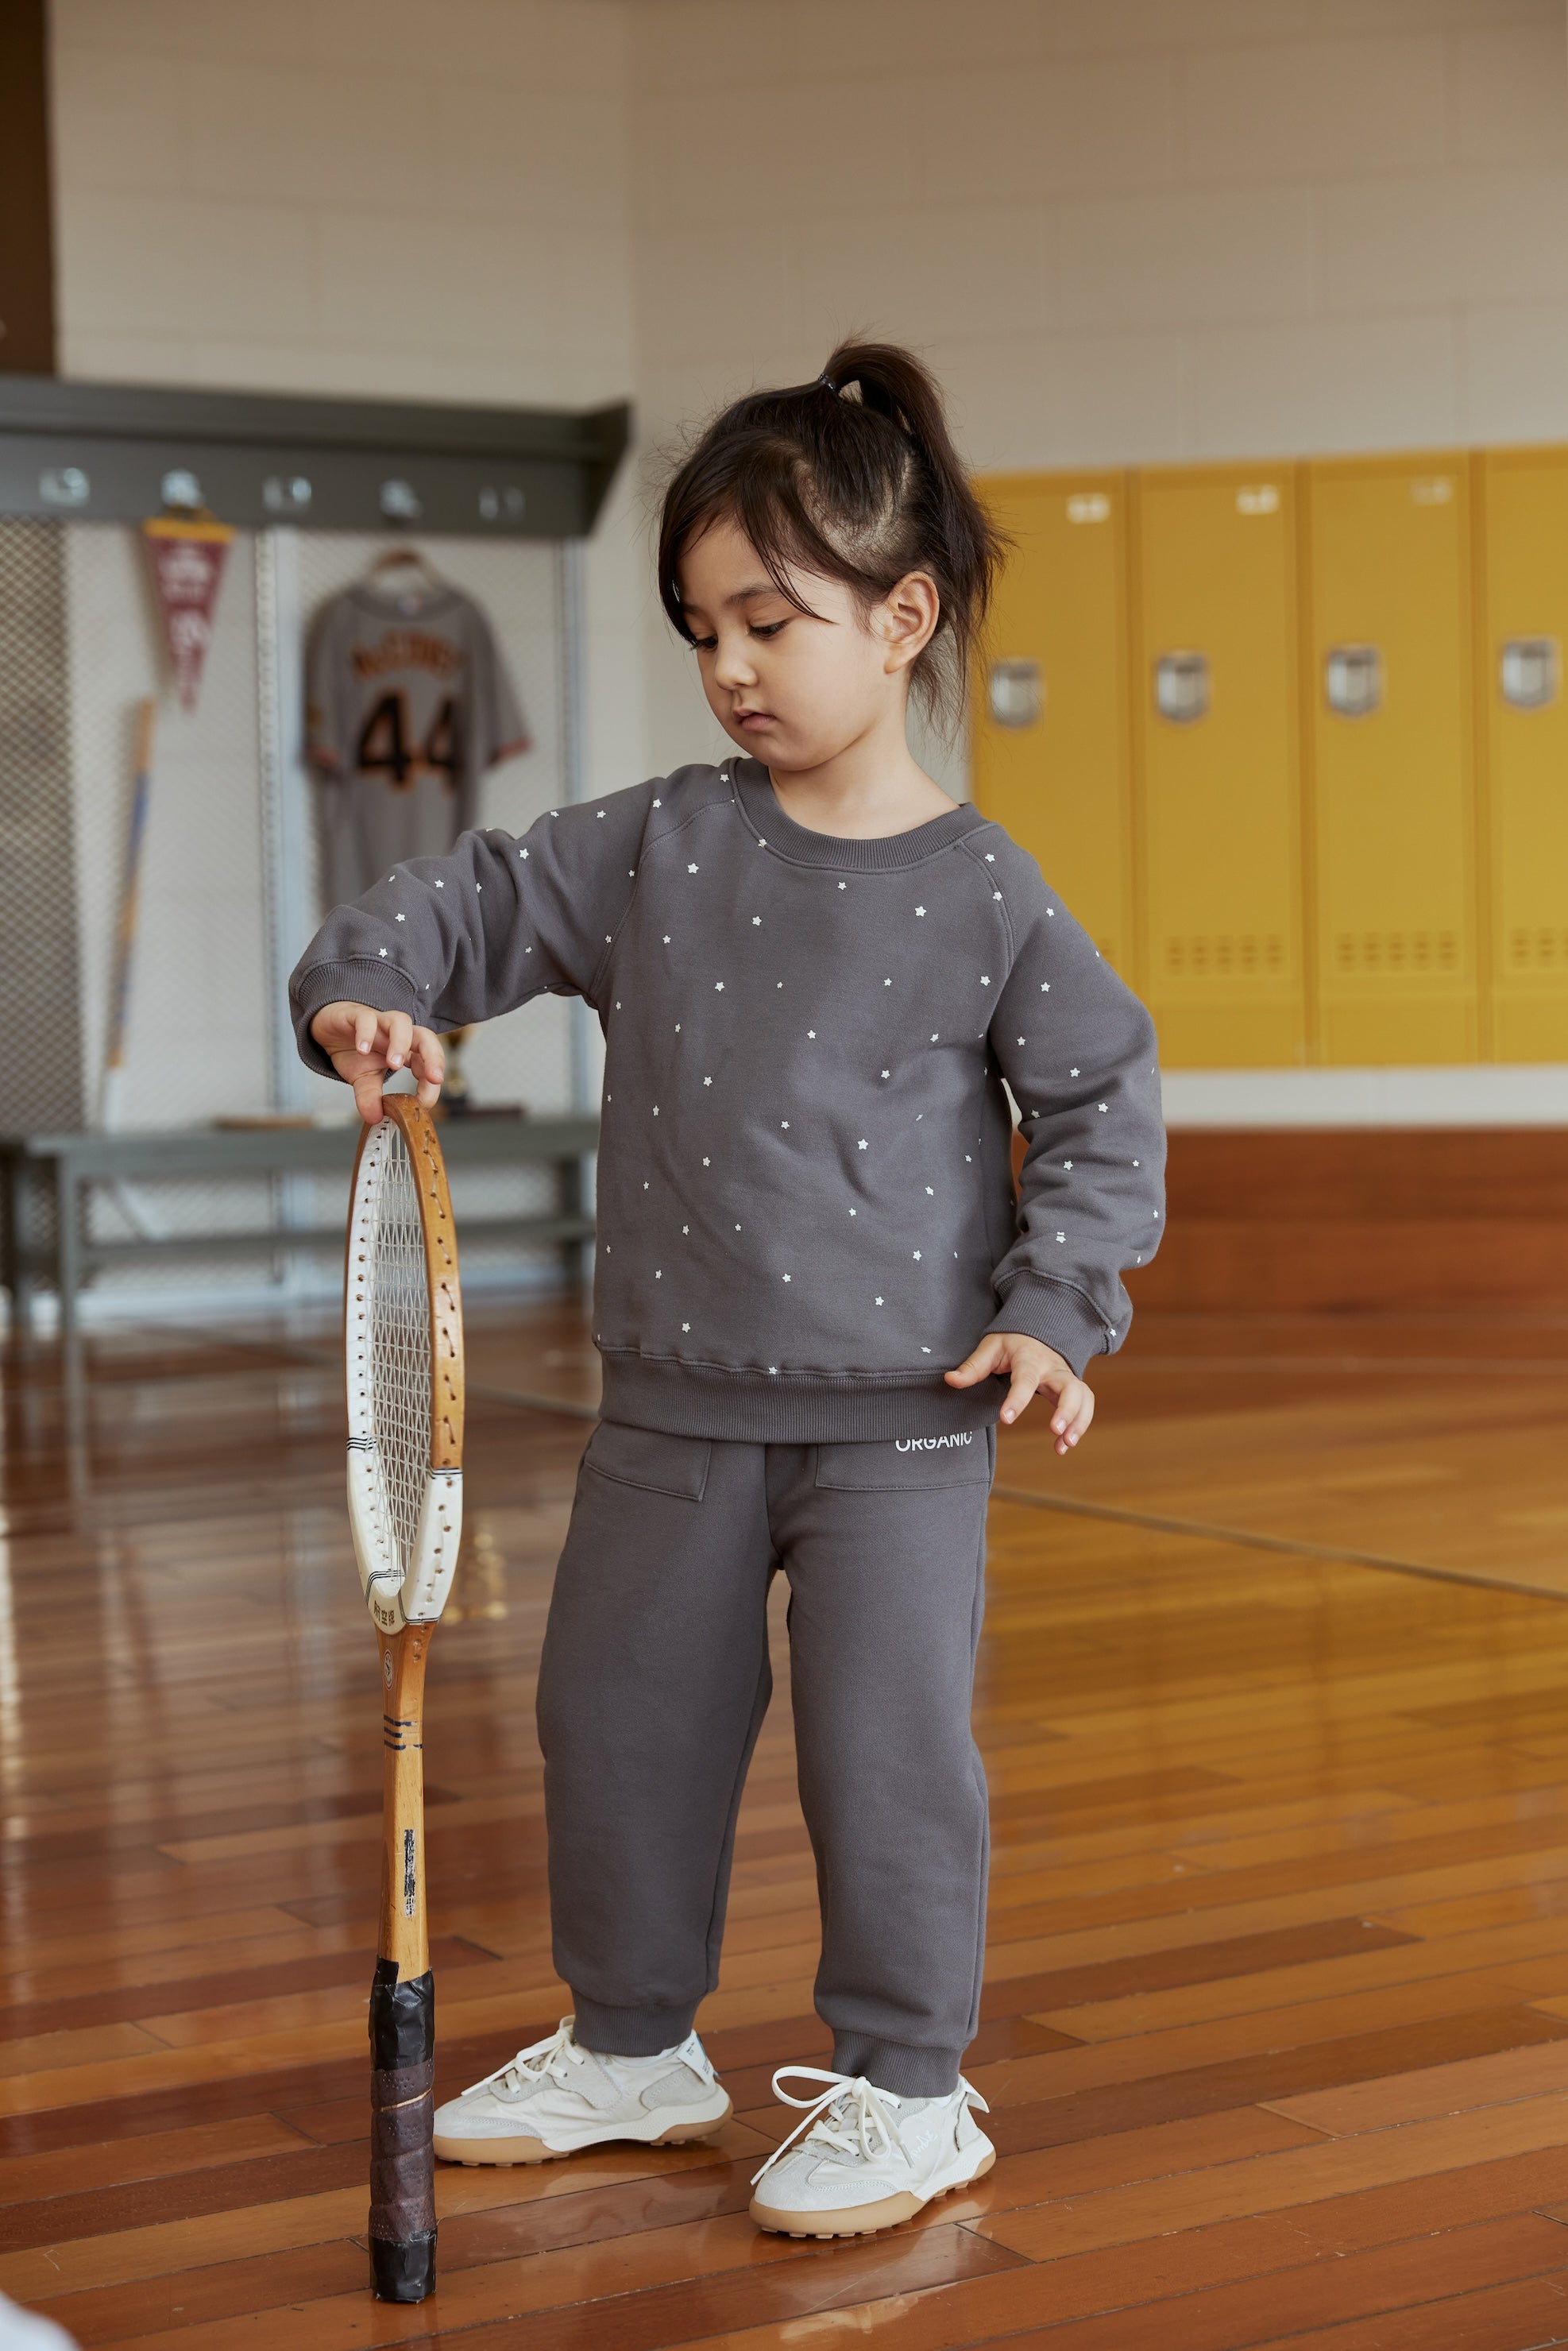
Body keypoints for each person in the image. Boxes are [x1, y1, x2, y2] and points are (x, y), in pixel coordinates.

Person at [290, 341, 1165, 2239]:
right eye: (703, 629)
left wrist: (1059, 1298)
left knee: (888, 1761)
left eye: (771, 619)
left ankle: (912, 2085)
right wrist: (369, 987)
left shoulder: (990, 888)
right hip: (671, 1409)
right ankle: (632, 2043)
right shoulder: (654, 847)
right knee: (613, 1723)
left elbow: (1101, 1094)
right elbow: (456, 907)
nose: (732, 667)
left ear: (903, 614)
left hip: (906, 1430)